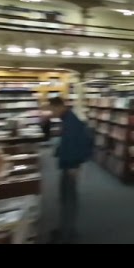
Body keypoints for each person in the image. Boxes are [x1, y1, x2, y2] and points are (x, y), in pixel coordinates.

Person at [48, 96, 93, 243]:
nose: (51, 113)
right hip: (67, 163)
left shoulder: (71, 121)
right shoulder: (67, 119)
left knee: (69, 199)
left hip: (70, 165)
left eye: (52, 109)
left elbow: (77, 143)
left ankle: (67, 234)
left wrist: (75, 165)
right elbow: (68, 142)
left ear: (59, 107)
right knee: (65, 198)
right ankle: (65, 229)